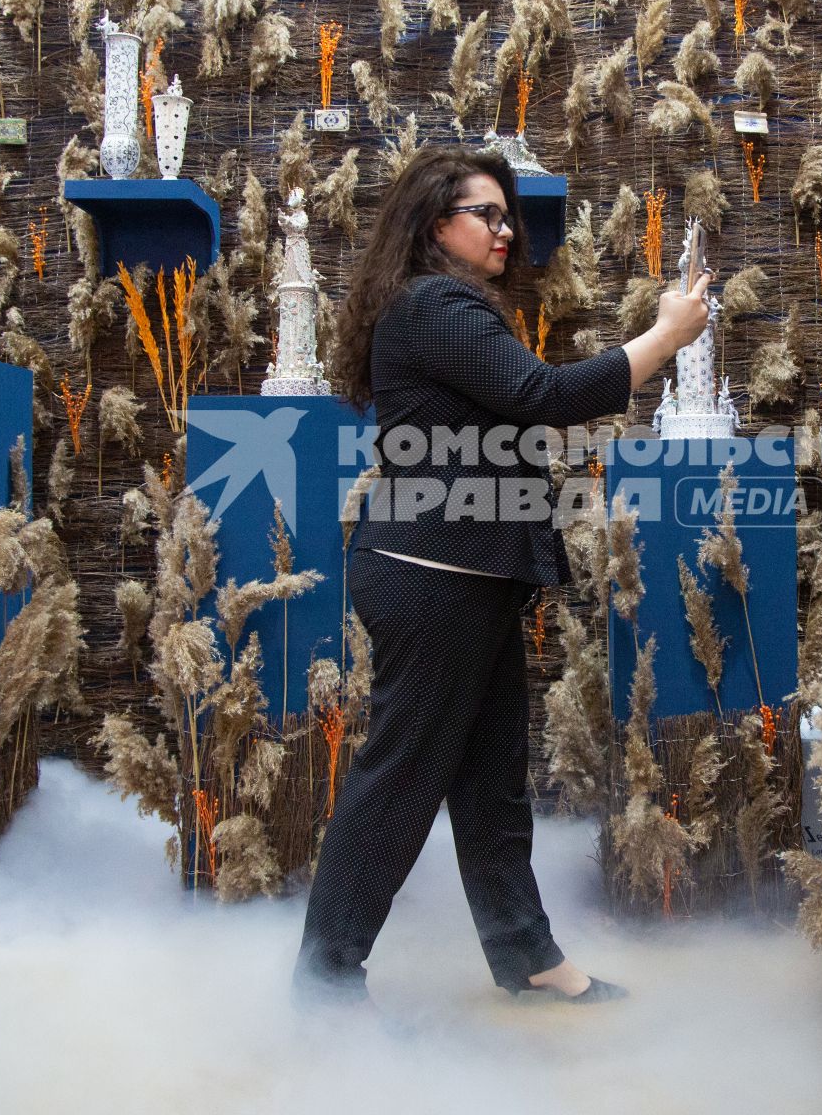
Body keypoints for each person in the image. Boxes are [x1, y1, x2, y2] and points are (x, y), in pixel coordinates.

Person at [296, 145, 712, 1006]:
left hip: (461, 575)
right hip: (432, 572)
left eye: (505, 213)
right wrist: (665, 336)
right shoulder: (436, 303)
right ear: (431, 224)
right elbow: (543, 396)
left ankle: (526, 957)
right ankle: (324, 987)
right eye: (483, 213)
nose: (504, 229)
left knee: (490, 787)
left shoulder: (438, 307)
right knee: (400, 784)